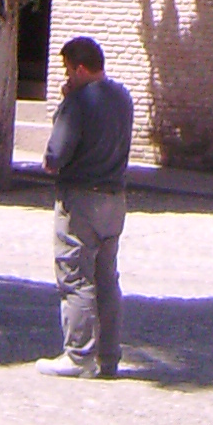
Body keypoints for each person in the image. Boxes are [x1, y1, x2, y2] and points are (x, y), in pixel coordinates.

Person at [39, 34, 134, 377]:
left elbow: (54, 156)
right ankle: (109, 357)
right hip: (115, 198)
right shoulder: (123, 97)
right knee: (107, 278)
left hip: (80, 199)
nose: (66, 78)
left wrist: (65, 107)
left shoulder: (78, 103)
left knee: (76, 277)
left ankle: (77, 355)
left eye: (67, 70)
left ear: (79, 68)